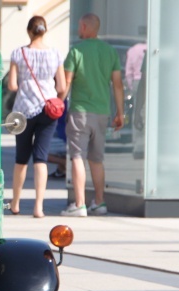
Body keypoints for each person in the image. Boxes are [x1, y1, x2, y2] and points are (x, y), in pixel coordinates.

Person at [60, 13, 124, 217]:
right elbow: (117, 84)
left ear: (85, 27)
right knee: (96, 159)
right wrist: (120, 112)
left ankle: (79, 204)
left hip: (80, 111)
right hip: (102, 112)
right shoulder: (110, 52)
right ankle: (99, 202)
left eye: (80, 25)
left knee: (77, 156)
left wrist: (57, 100)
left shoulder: (76, 51)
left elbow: (67, 82)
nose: (78, 29)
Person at [7, 16, 66, 218]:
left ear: (29, 31)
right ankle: (38, 207)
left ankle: (15, 203)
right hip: (48, 110)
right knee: (41, 157)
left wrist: (26, 87)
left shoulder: (19, 53)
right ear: (44, 31)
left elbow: (12, 85)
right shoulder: (55, 54)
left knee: (21, 158)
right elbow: (62, 87)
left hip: (24, 110)